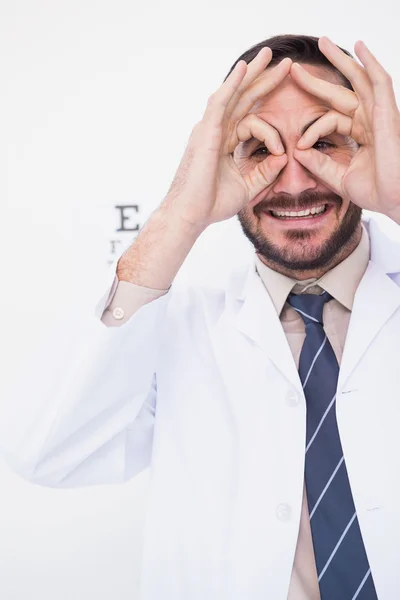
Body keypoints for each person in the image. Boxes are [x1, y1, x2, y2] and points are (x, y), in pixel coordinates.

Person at [3, 33, 400, 600]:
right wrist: (178, 214)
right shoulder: (176, 318)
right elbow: (43, 451)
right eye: (260, 149)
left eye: (326, 141)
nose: (293, 182)